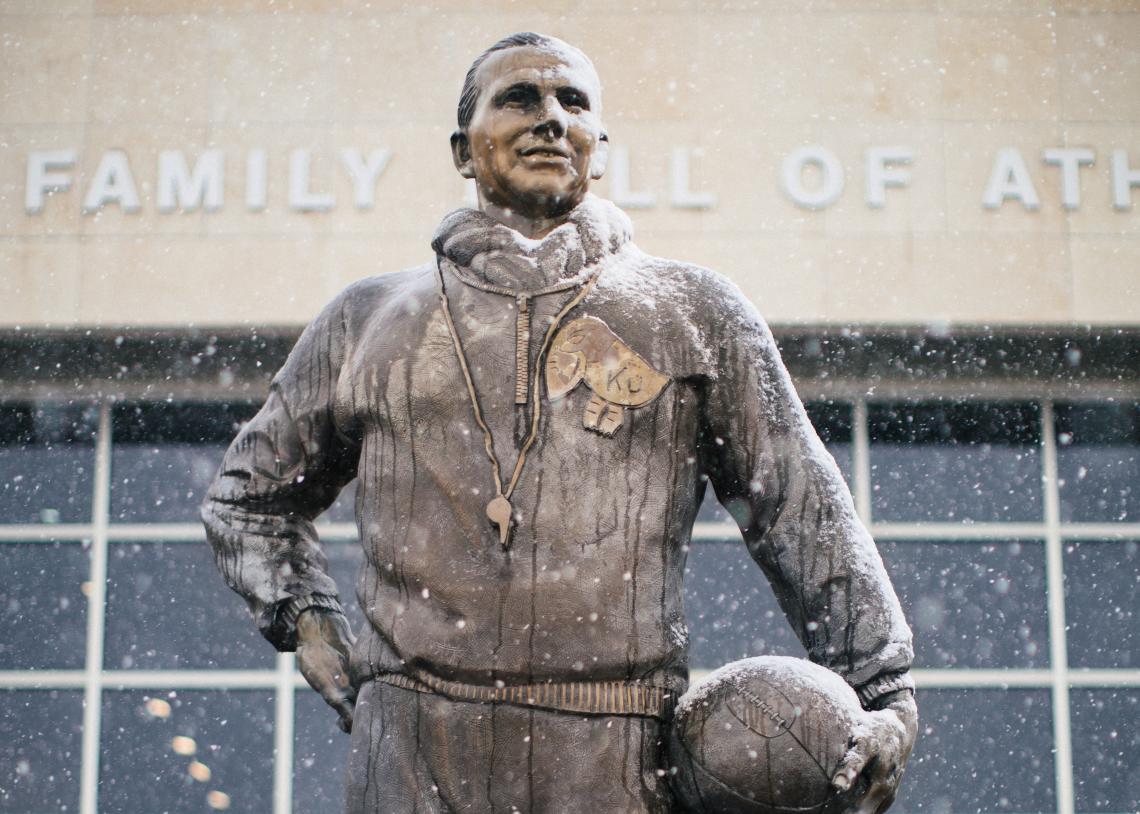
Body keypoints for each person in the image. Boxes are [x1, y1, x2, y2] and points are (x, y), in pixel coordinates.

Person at [202, 32, 917, 814]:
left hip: (615, 745)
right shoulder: (367, 320)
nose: (549, 118)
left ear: (598, 149)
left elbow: (801, 508)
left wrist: (885, 693)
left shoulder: (694, 312)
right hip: (410, 744)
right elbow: (250, 498)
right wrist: (307, 617)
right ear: (463, 150)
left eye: (571, 103)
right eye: (519, 99)